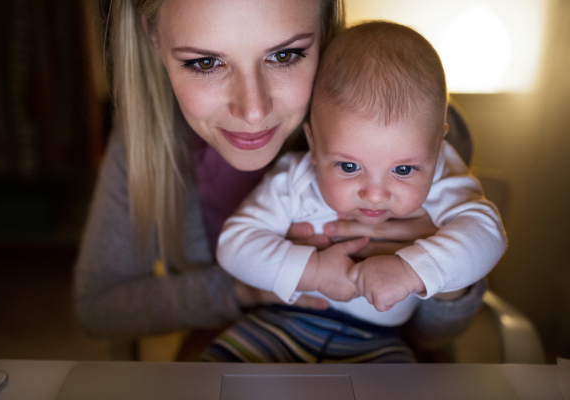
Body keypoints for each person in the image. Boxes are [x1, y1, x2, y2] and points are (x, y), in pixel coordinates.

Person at [75, 0, 487, 359]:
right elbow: (98, 307)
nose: (253, 110)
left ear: (325, 26)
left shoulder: (411, 133)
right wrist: (247, 289)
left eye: (285, 55)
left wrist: (429, 268)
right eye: (205, 62)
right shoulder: (146, 140)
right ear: (152, 35)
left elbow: (437, 335)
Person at [203, 21, 506, 363]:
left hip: (378, 344)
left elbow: (488, 233)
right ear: (314, 145)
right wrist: (313, 272)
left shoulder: (440, 175)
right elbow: (235, 244)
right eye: (348, 167)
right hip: (276, 325)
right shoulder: (295, 176)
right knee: (215, 373)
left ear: (438, 147)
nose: (375, 194)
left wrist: (412, 271)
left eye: (403, 170)